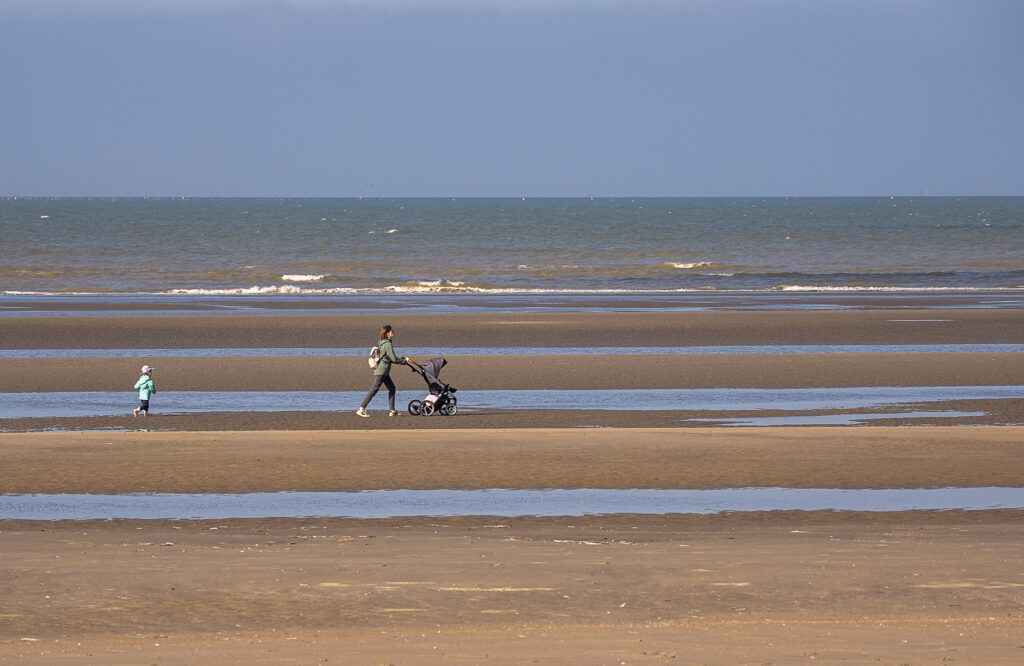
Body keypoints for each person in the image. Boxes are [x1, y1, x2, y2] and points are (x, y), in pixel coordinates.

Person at [356, 324, 410, 417]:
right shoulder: (388, 344)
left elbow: (389, 357)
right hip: (382, 371)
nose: (393, 333)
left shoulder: (382, 343)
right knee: (374, 389)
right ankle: (361, 409)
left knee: (392, 388)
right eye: (392, 332)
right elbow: (393, 359)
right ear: (387, 334)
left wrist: (401, 359)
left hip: (384, 371)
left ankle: (392, 410)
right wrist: (404, 361)